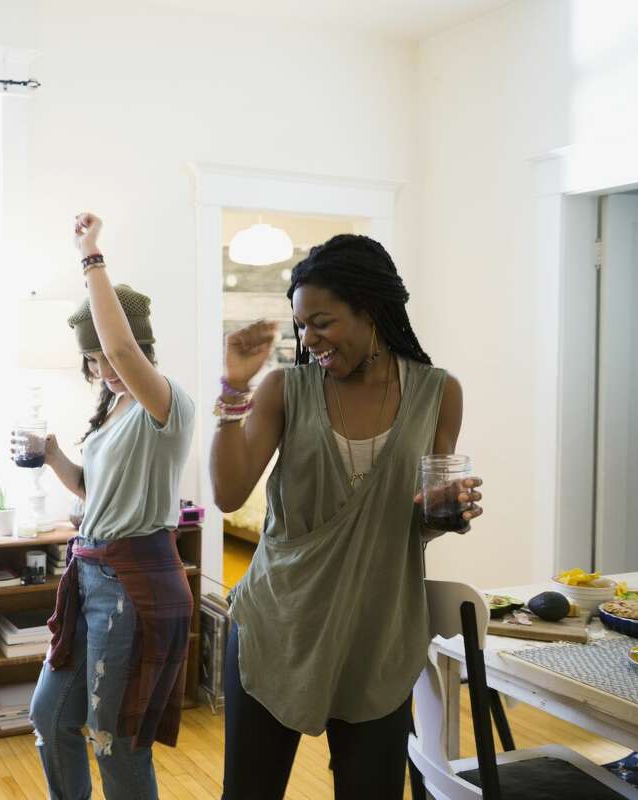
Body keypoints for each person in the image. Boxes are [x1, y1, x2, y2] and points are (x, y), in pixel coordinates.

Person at [209, 234, 485, 799]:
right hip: (277, 625)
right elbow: (229, 493)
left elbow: (424, 510)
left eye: (322, 323)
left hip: (378, 633)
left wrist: (446, 513)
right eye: (301, 326)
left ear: (371, 311)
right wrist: (235, 388)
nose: (309, 341)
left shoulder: (439, 393)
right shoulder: (289, 387)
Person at [24, 213, 196, 800]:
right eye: (91, 361)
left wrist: (89, 254)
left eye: (107, 358)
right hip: (90, 577)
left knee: (114, 741)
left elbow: (120, 347)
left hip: (135, 586)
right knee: (50, 717)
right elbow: (95, 496)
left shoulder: (165, 403)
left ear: (137, 350)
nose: (101, 369)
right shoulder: (111, 413)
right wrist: (52, 457)